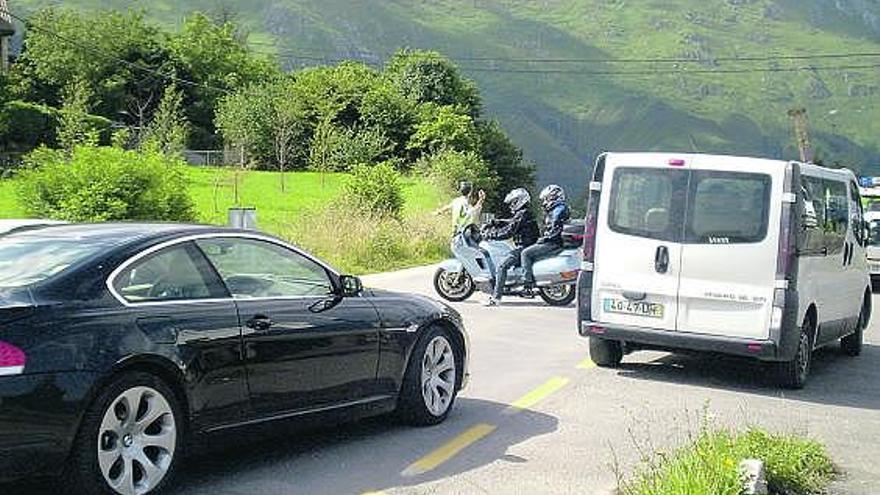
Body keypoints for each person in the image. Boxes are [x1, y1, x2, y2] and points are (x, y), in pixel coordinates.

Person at [483, 188, 539, 306]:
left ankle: (496, 298)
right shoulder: (524, 213)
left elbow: (509, 231)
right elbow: (511, 222)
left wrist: (491, 234)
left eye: (513, 202)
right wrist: (496, 222)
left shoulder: (522, 214)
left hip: (525, 247)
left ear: (520, 201)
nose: (511, 206)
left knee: (502, 266)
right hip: (528, 245)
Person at [521, 184, 570, 288]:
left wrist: (544, 239)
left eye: (546, 199)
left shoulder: (558, 210)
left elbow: (555, 228)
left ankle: (527, 283)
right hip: (555, 241)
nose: (544, 202)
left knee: (525, 253)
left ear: (553, 197)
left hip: (553, 243)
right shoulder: (559, 208)